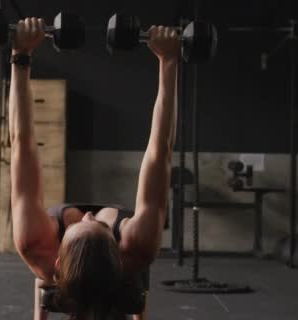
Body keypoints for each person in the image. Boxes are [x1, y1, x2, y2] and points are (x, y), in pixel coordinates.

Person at [9, 17, 179, 320]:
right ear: (117, 253)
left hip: (53, 261)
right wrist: (168, 61)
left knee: (39, 267)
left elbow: (21, 143)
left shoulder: (39, 245)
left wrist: (21, 56)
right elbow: (160, 151)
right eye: (98, 224)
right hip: (124, 263)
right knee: (140, 272)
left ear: (60, 261)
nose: (88, 213)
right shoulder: (136, 246)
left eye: (78, 226)